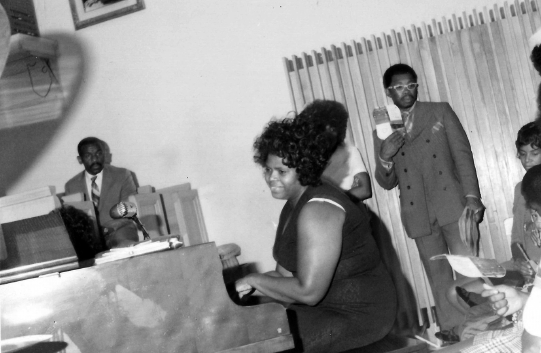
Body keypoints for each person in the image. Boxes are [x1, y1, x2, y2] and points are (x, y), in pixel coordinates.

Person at [235, 118, 397, 352]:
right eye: (268, 169)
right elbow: (283, 277)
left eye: (281, 171)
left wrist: (253, 280)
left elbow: (308, 292)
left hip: (360, 314)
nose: (271, 178)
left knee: (271, 346)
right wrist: (236, 288)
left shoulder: (319, 209)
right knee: (254, 335)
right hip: (325, 307)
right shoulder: (292, 206)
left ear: (304, 168)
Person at [372, 63, 485, 340]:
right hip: (418, 213)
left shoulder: (439, 111)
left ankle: (483, 324)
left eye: (411, 84)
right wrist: (385, 157)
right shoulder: (384, 128)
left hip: (454, 207)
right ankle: (452, 330)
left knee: (468, 270)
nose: (406, 91)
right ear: (389, 92)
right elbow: (386, 182)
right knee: (438, 277)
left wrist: (472, 198)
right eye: (399, 87)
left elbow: (462, 155)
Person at [438, 164, 541, 353]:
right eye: (535, 214)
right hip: (526, 325)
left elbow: (533, 345)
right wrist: (522, 299)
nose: (538, 222)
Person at [296, 100, 372, 203]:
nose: (330, 131)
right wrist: (347, 194)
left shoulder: (349, 151)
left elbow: (364, 190)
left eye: (333, 127)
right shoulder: (305, 158)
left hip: (347, 213)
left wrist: (329, 201)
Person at [65, 137, 137, 228]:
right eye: (88, 156)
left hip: (119, 230)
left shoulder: (122, 175)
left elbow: (131, 210)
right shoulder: (71, 186)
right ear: (80, 159)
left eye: (98, 154)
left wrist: (108, 229)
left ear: (105, 155)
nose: (95, 159)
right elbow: (73, 220)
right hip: (90, 237)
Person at [511, 122, 541, 281]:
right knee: (456, 290)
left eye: (534, 153)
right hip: (526, 268)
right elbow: (516, 235)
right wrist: (520, 261)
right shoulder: (520, 189)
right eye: (522, 154)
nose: (527, 160)